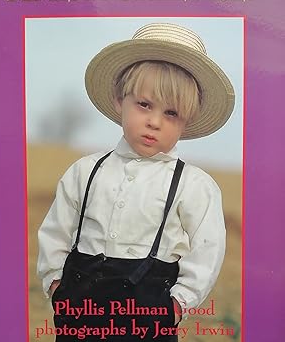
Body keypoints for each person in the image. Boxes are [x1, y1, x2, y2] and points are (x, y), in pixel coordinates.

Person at [37, 22, 235, 341]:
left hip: (149, 314)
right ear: (120, 100)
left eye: (171, 113)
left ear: (187, 121)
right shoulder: (85, 171)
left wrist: (179, 303)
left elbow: (207, 249)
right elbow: (55, 231)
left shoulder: (194, 185)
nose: (154, 122)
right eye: (144, 105)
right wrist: (56, 285)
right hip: (79, 310)